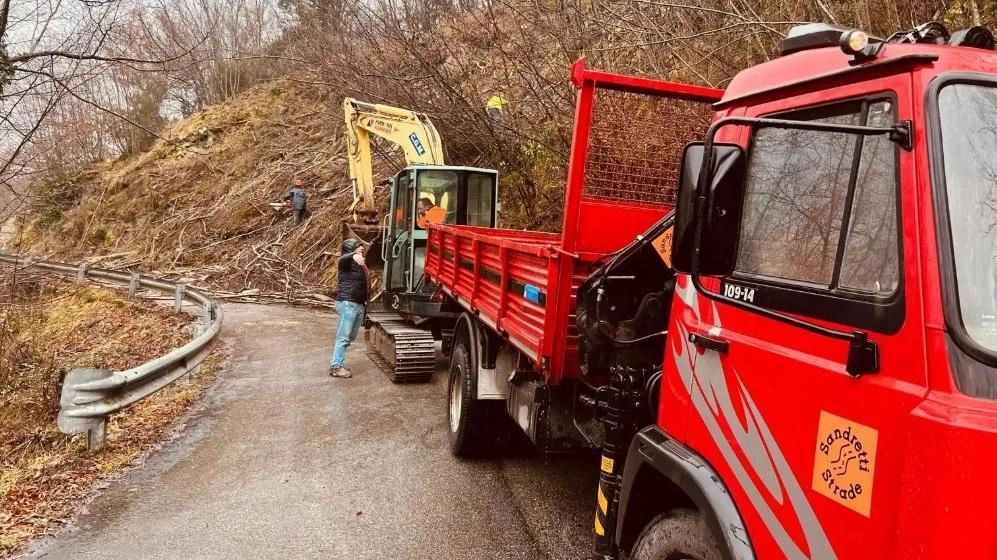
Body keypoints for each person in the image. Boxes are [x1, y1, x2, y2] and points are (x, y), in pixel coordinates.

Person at [330, 238, 369, 378]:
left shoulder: (359, 264)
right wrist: (353, 255)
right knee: (343, 338)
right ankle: (336, 366)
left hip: (358, 304)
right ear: (351, 248)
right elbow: (343, 258)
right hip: (347, 303)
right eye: (359, 247)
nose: (362, 249)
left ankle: (338, 362)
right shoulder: (346, 262)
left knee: (350, 338)